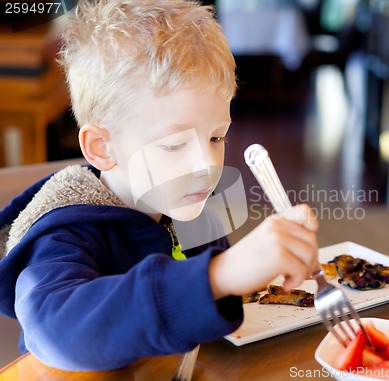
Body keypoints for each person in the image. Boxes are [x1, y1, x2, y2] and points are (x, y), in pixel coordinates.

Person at [0, 0, 318, 371]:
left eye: (217, 138)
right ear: (103, 148)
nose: (207, 165)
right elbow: (59, 334)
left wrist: (266, 266)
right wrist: (222, 274)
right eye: (174, 145)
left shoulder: (186, 206)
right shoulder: (62, 237)